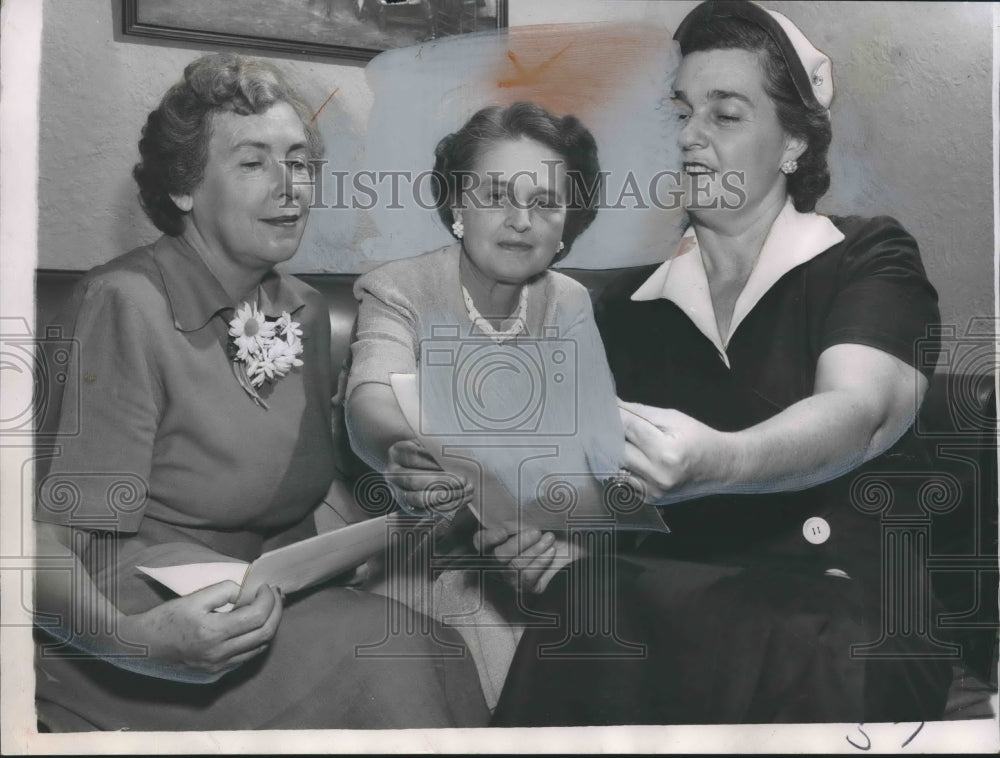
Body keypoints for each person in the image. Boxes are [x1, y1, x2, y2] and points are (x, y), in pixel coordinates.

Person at [483, 1, 953, 725]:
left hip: (842, 610)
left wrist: (721, 460)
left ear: (793, 139)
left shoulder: (867, 257)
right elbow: (595, 484)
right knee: (586, 599)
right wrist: (541, 535)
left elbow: (860, 416)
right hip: (680, 601)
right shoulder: (624, 307)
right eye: (682, 112)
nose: (691, 137)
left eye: (725, 115)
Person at [33, 53, 488, 731]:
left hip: (251, 600)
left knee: (438, 646)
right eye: (253, 163)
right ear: (184, 189)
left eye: (300, 161)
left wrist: (408, 490)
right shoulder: (123, 304)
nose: (290, 187)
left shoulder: (299, 308)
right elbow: (44, 545)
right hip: (129, 619)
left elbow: (294, 491)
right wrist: (139, 644)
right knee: (390, 655)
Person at [345, 101, 619, 566]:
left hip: (541, 539)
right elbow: (369, 399)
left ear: (566, 224)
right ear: (458, 205)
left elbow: (596, 449)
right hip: (429, 551)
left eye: (545, 203)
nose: (521, 220)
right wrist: (402, 450)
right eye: (496, 196)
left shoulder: (569, 301)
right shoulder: (398, 289)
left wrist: (557, 543)